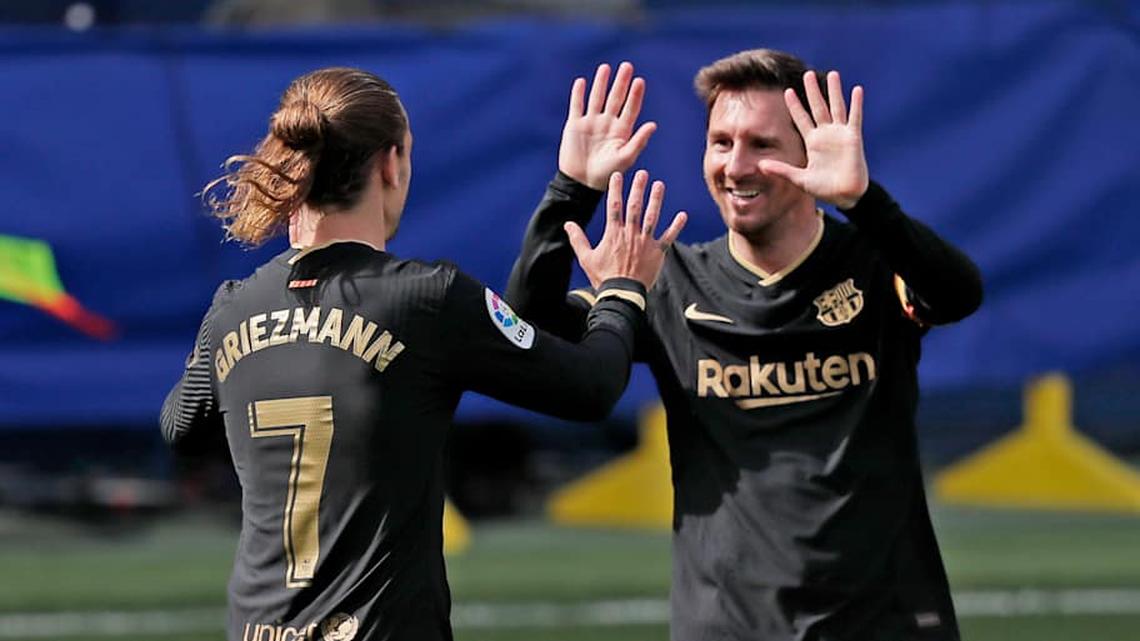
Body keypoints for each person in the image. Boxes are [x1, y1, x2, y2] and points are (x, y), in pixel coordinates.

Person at [159, 66, 685, 641]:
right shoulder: (425, 298)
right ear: (391, 162)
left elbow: (180, 425)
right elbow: (590, 387)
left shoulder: (234, 306)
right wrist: (622, 290)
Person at [507, 52, 984, 640]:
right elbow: (528, 333)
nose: (737, 165)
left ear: (810, 156)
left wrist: (865, 203)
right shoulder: (668, 281)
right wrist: (571, 190)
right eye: (720, 142)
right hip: (728, 625)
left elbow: (959, 294)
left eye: (762, 144)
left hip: (884, 622)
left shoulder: (875, 261)